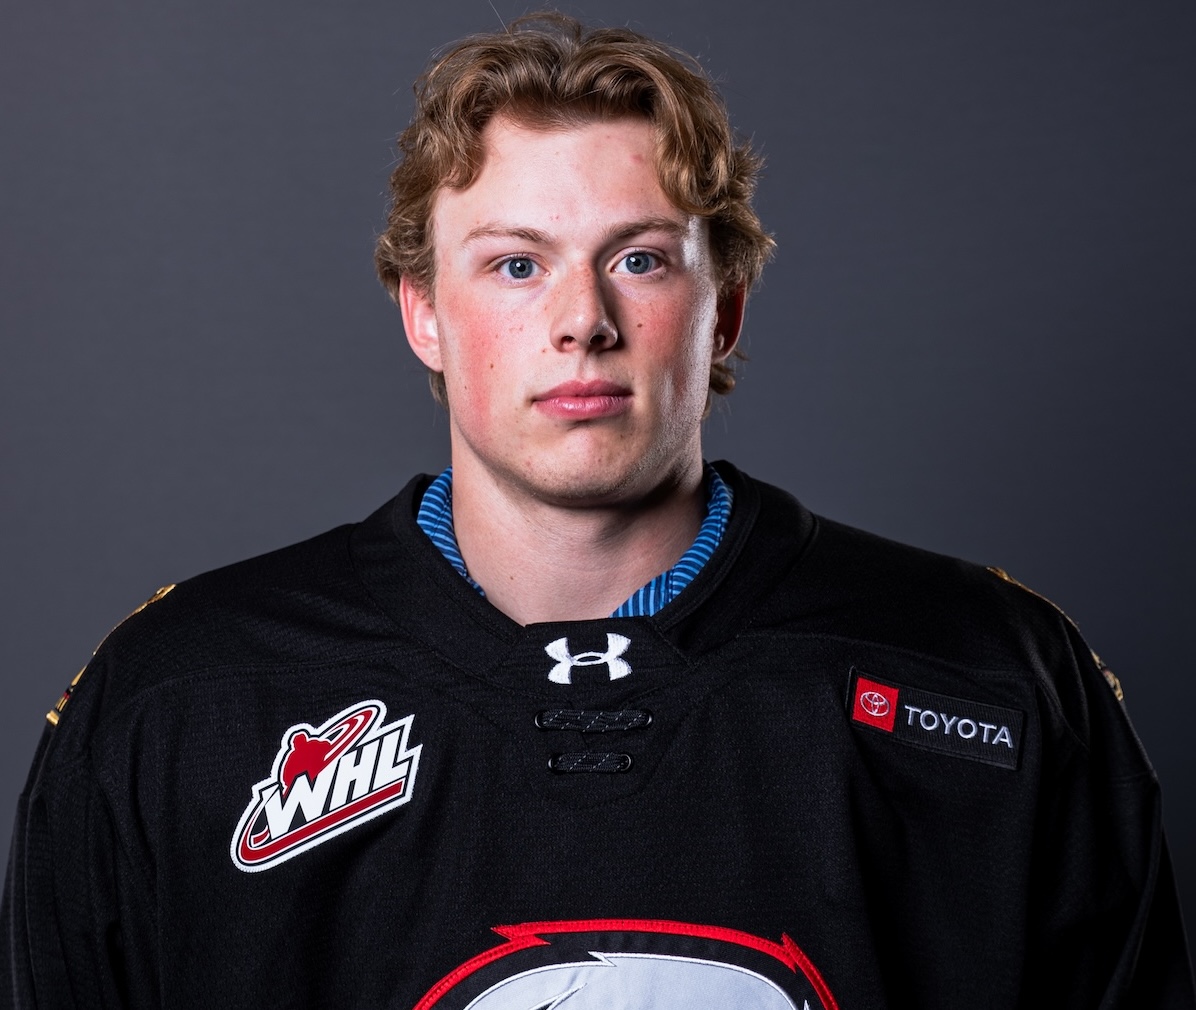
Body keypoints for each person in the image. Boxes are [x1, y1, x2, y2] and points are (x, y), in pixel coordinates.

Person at [3, 12, 1192, 1009]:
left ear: (724, 308)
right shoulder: (183, 701)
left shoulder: (987, 676)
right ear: (422, 311)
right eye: (515, 264)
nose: (582, 320)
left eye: (639, 259)